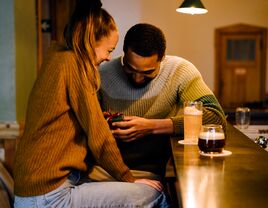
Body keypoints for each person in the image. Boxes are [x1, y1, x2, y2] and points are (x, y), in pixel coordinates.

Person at [13, 1, 171, 207]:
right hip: (48, 196)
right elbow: (99, 138)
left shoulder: (57, 56)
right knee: (155, 193)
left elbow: (65, 119)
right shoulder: (76, 65)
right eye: (108, 50)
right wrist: (128, 179)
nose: (108, 58)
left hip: (37, 189)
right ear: (89, 41)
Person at [89, 23, 227, 182]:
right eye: (130, 68)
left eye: (147, 72)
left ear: (162, 58)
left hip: (160, 172)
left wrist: (151, 127)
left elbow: (216, 118)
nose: (137, 78)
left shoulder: (180, 71)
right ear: (124, 53)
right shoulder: (101, 74)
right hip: (107, 172)